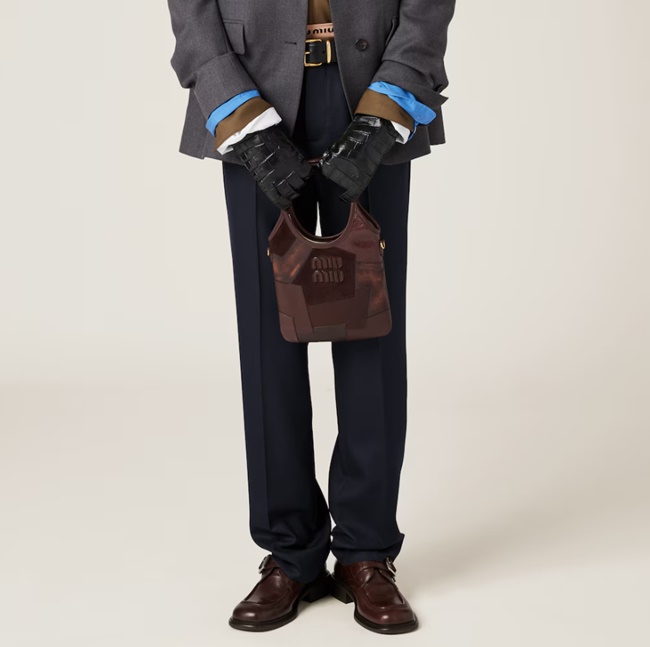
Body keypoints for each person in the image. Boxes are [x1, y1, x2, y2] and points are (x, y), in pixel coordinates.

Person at [166, 0, 455, 635]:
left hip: (373, 84)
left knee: (372, 332)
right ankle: (289, 553)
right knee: (269, 338)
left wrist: (392, 99)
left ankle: (366, 551)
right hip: (249, 87)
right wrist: (231, 103)